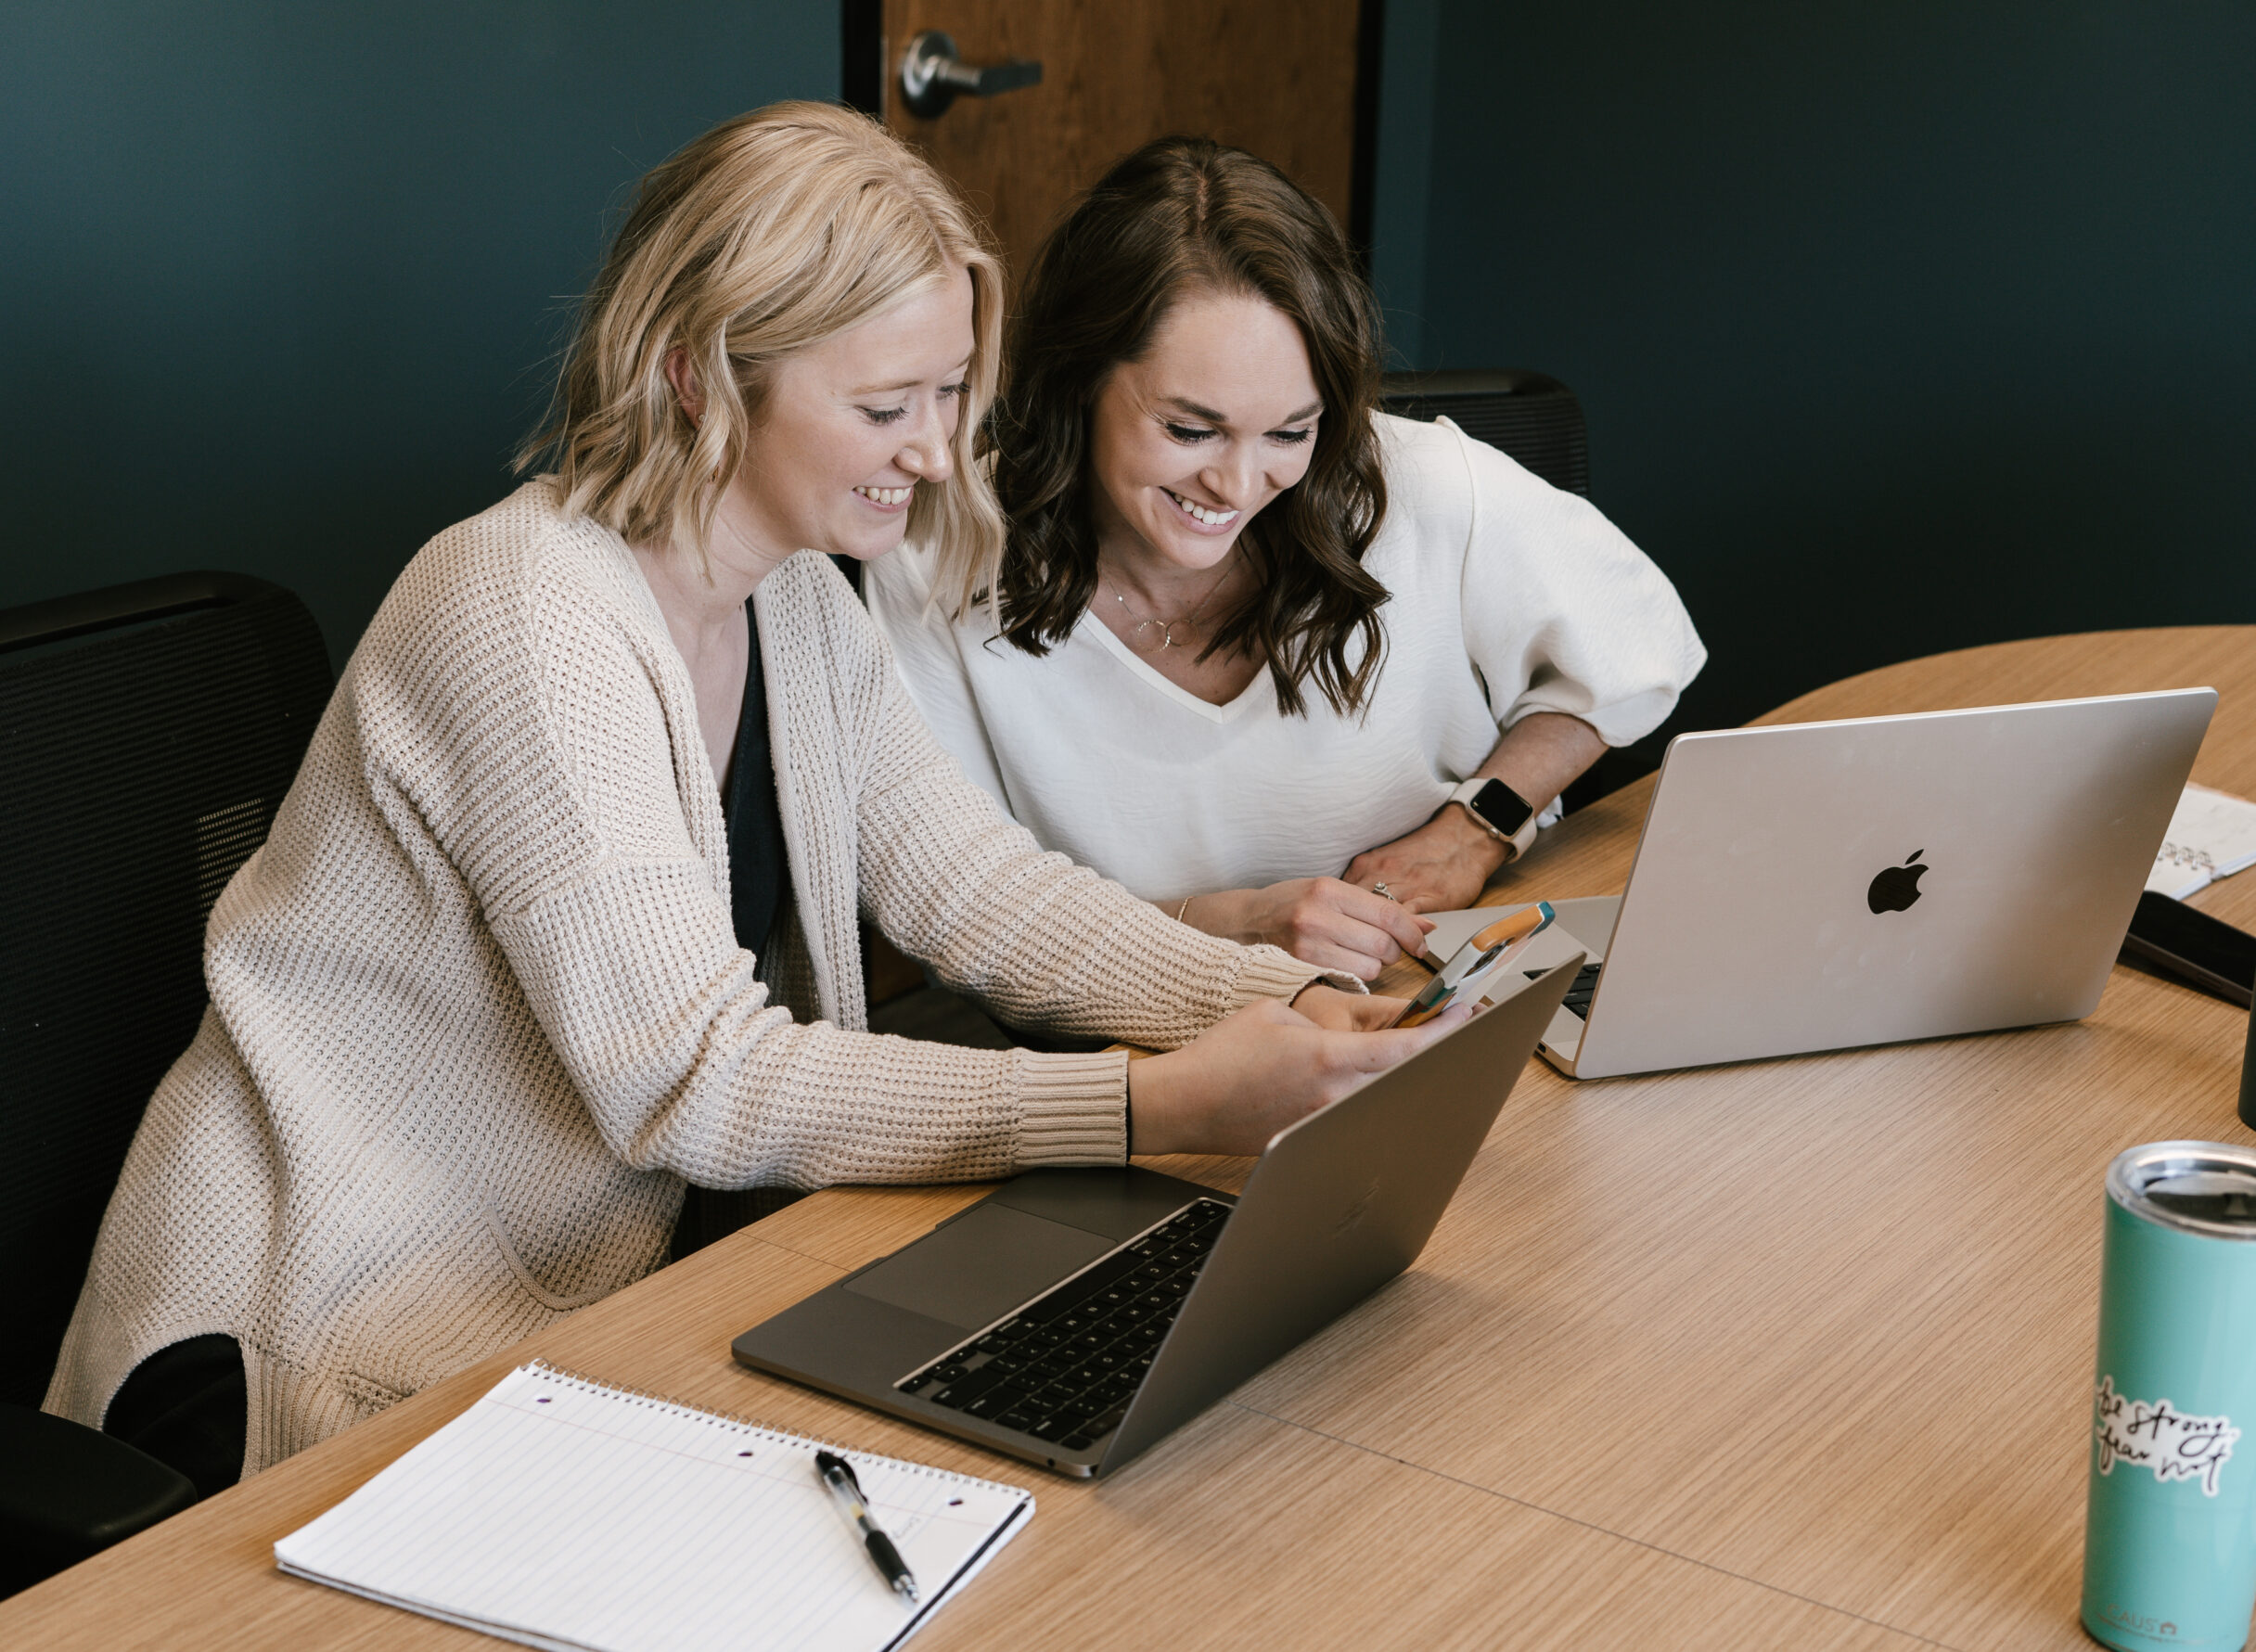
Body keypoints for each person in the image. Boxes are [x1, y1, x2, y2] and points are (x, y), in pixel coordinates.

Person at [45, 104, 1457, 1492]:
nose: (935, 449)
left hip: (572, 1318)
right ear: (697, 373)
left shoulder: (795, 600)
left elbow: (978, 891)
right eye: (884, 405)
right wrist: (1154, 1104)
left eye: (951, 391)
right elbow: (694, 1078)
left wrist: (1258, 1006)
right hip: (317, 1356)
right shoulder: (525, 611)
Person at [868, 139, 1706, 985]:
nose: (1235, 484)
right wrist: (1231, 930)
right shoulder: (935, 556)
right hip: (1146, 1043)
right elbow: (971, 916)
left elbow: (1642, 648)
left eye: (1289, 433)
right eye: (1190, 430)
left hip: (1446, 985)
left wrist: (1476, 828)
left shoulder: (1422, 483)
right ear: (1077, 379)